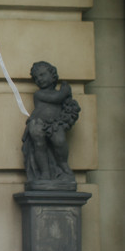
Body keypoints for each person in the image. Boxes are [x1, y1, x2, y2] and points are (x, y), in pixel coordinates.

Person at [22, 60, 80, 189]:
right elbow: (57, 99)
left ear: (53, 75)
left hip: (55, 124)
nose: (39, 79)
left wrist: (65, 94)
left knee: (60, 142)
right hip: (38, 123)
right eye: (36, 78)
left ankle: (63, 166)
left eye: (42, 75)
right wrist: (65, 91)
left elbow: (62, 101)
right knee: (39, 145)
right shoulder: (39, 94)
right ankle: (45, 172)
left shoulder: (58, 93)